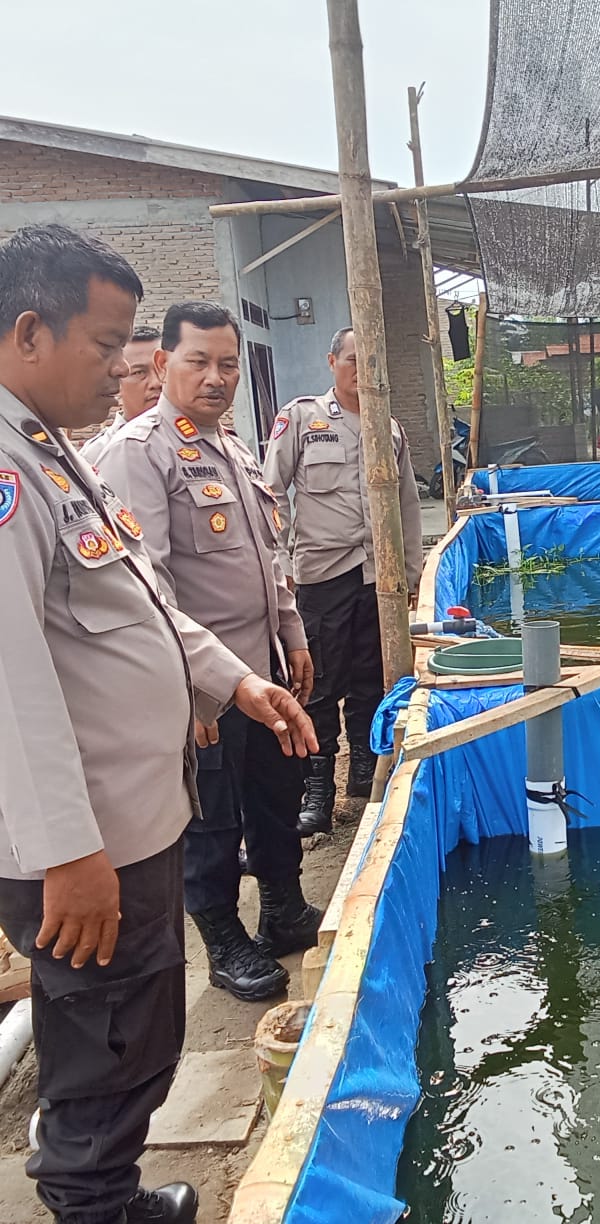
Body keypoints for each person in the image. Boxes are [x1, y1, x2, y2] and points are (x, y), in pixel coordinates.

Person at [0, 223, 316, 1223]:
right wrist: (65, 853)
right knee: (107, 1031)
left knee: (135, 1020)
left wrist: (236, 682)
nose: (123, 368)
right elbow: (9, 681)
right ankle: (94, 1201)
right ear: (27, 333)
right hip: (83, 840)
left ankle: (109, 1187)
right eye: (108, 347)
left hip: (125, 819)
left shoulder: (50, 452)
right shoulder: (7, 475)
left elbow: (144, 600)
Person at [100, 302, 321, 1004]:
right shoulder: (141, 453)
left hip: (263, 669)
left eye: (228, 363)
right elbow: (148, 588)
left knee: (275, 792)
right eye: (200, 360)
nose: (217, 376)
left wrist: (292, 634)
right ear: (164, 364)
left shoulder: (232, 447)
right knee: (212, 817)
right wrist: (193, 693)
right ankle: (224, 940)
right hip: (203, 686)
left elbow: (267, 557)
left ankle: (283, 910)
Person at [262, 326, 424, 834]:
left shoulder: (389, 428)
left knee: (369, 677)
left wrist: (412, 571)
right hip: (321, 576)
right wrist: (279, 568)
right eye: (352, 359)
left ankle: (361, 774)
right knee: (317, 681)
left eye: (371, 361)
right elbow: (270, 495)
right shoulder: (304, 419)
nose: (361, 369)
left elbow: (407, 507)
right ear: (332, 361)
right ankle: (317, 788)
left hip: (378, 578)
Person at [78, 324, 162, 463]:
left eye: (162, 369)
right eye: (139, 372)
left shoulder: (201, 441)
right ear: (118, 381)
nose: (157, 382)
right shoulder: (97, 455)